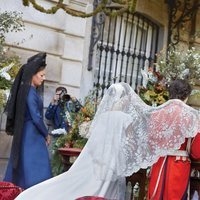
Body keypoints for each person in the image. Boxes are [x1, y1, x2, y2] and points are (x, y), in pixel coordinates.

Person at [15, 81, 199, 200]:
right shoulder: (190, 115)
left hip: (154, 164)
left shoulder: (154, 114)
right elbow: (195, 149)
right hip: (177, 164)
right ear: (186, 95)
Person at [3, 52, 52, 189]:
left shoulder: (29, 91)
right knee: (36, 171)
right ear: (33, 75)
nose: (44, 78)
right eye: (41, 75)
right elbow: (36, 117)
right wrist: (45, 134)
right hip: (32, 135)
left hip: (27, 133)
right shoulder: (30, 92)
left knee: (25, 168)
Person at [147, 79, 200, 200]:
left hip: (158, 164)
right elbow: (196, 152)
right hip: (179, 166)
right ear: (186, 95)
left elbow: (150, 144)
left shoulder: (157, 113)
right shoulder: (191, 115)